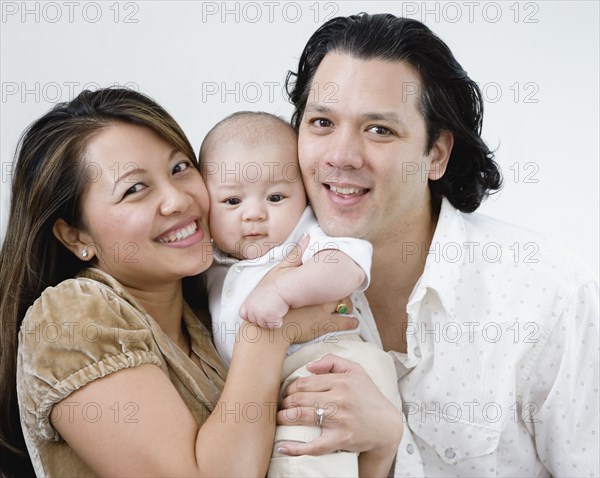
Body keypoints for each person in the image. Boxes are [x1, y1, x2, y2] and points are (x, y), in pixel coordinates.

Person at [0, 88, 401, 478]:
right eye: (135, 189)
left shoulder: (207, 319)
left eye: (179, 168)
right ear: (77, 236)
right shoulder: (73, 316)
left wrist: (383, 440)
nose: (177, 199)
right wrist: (265, 336)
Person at [276, 13, 600, 477]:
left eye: (379, 130)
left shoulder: (551, 297)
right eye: (322, 122)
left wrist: (390, 448)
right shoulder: (260, 284)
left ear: (436, 154)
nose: (341, 156)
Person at [200, 111, 401, 476]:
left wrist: (282, 290)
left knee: (305, 458)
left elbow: (347, 267)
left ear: (304, 195)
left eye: (276, 197)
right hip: (276, 381)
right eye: (232, 202)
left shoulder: (308, 233)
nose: (254, 214)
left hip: (330, 365)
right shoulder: (211, 261)